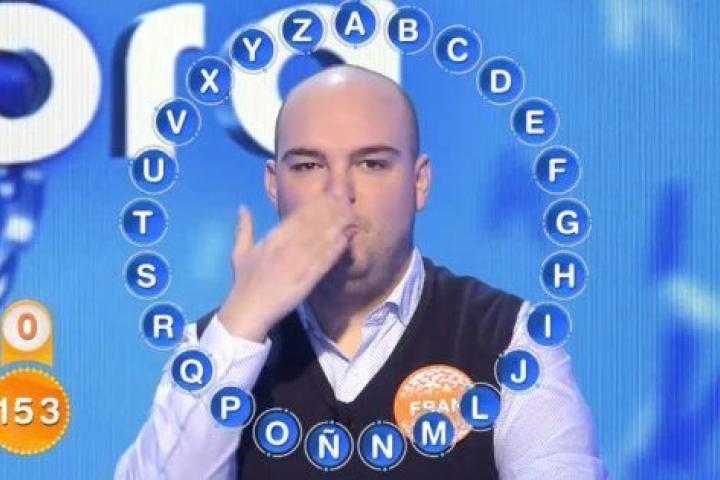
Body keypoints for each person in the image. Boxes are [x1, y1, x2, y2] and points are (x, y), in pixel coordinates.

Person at [116, 64, 606, 479]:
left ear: (419, 183)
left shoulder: (510, 339)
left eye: (371, 164)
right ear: (273, 185)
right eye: (308, 166)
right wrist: (242, 323)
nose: (339, 193)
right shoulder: (215, 346)